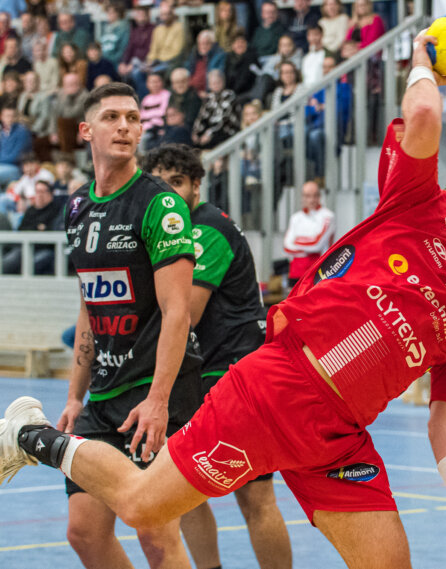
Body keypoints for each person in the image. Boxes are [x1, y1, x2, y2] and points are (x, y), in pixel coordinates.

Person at [0, 32, 446, 568]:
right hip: (275, 388)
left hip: (338, 438)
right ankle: (28, 436)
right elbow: (422, 117)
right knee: (140, 505)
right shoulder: (418, 203)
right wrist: (424, 61)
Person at [2, 83, 204, 567]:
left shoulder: (160, 205)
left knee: (155, 531)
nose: (125, 127)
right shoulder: (76, 207)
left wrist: (158, 401)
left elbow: (178, 311)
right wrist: (75, 396)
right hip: (104, 392)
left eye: (133, 118)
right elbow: (88, 306)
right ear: (86, 130)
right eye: (112, 117)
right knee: (85, 533)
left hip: (155, 391)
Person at [144, 143, 293, 569]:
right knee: (183, 488)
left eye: (177, 183)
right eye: (160, 185)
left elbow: (186, 314)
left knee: (255, 494)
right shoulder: (172, 230)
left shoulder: (206, 229)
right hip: (200, 372)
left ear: (196, 186)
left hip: (238, 371)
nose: (169, 194)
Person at [1, 179, 62, 274]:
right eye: (37, 191)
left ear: (51, 193)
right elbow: (21, 229)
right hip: (25, 247)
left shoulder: (57, 210)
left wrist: (35, 229)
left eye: (43, 191)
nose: (39, 195)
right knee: (8, 262)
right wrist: (37, 228)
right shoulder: (31, 210)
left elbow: (51, 231)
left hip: (46, 249)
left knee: (31, 265)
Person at [283, 180, 335, 285]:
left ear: (319, 196)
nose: (311, 200)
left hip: (319, 272)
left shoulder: (328, 216)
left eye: (315, 195)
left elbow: (316, 245)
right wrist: (308, 246)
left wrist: (296, 241)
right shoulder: (296, 218)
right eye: (307, 196)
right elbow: (286, 247)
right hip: (296, 272)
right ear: (302, 197)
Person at [192, 69, 241, 150]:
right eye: (213, 83)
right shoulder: (209, 98)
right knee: (194, 142)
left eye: (218, 82)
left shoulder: (229, 95)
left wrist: (209, 133)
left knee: (211, 140)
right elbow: (202, 117)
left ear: (223, 82)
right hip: (212, 131)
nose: (215, 85)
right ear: (209, 85)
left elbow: (224, 119)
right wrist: (196, 133)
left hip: (227, 130)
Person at [186, 30, 228, 98]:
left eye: (207, 43)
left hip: (209, 93)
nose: (203, 46)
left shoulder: (219, 56)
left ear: (213, 44)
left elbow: (218, 77)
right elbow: (188, 71)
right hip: (193, 92)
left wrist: (207, 92)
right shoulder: (194, 55)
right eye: (201, 43)